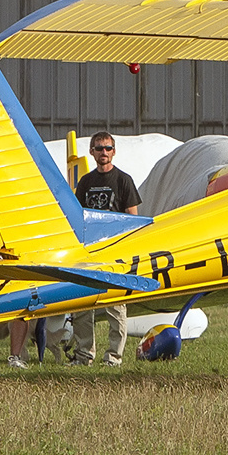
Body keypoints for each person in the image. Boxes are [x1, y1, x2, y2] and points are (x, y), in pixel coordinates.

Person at [70, 131, 140, 365]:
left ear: (114, 151)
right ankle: (83, 354)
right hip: (89, 251)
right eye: (99, 148)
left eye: (108, 148)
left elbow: (133, 218)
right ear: (91, 152)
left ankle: (114, 356)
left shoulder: (123, 180)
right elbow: (78, 217)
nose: (104, 152)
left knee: (116, 306)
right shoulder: (86, 182)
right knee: (82, 304)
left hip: (115, 252)